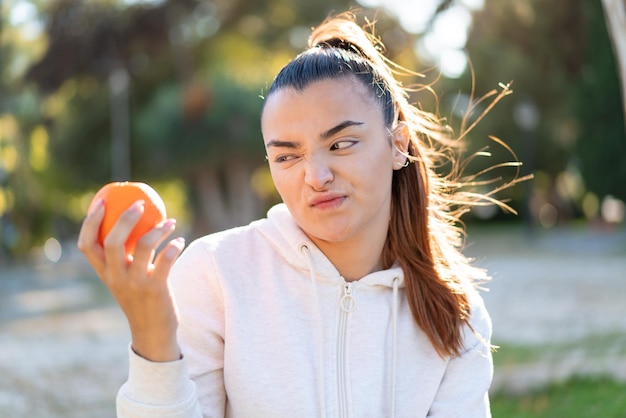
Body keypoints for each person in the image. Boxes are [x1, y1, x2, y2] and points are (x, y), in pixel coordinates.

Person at [78, 11, 517, 418]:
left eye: (341, 144)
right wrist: (152, 335)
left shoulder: (455, 315)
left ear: (397, 144)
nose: (316, 176)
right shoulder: (215, 274)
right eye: (287, 157)